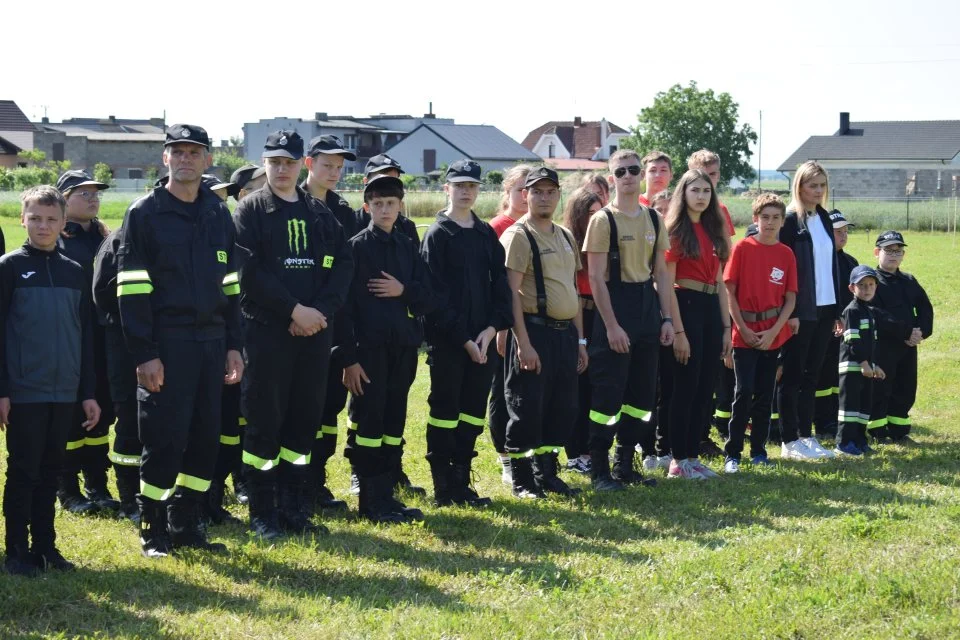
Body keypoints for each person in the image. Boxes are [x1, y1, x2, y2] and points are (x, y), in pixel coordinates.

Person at [117, 124, 244, 557]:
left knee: (205, 435)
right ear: (165, 158)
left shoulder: (217, 212)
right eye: (178, 151)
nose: (186, 159)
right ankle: (153, 528)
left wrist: (233, 343)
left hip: (212, 340)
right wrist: (145, 353)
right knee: (165, 436)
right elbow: (131, 290)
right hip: (166, 343)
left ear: (208, 160)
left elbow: (231, 286)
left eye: (195, 152)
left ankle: (187, 524)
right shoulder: (144, 213)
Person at [234, 130, 352, 540]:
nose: (281, 169)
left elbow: (342, 269)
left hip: (315, 334)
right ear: (265, 164)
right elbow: (249, 273)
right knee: (265, 422)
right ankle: (263, 512)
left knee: (304, 421)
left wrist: (318, 312)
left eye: (289, 162)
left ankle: (293, 507)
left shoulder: (320, 214)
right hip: (268, 333)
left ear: (301, 163)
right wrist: (293, 309)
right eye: (274, 162)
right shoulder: (249, 212)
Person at [1, 186, 100, 576]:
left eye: (51, 219)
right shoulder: (8, 267)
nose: (43, 226)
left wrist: (88, 392)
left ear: (63, 223)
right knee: (23, 470)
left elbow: (85, 336)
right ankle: (15, 551)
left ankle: (46, 547)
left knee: (51, 470)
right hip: (24, 390)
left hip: (65, 390)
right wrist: (3, 389)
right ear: (22, 219)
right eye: (36, 218)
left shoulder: (75, 272)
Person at [337, 174, 438, 522]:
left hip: (403, 349)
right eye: (377, 204)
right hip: (369, 352)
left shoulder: (407, 247)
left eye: (390, 204)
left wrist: (403, 290)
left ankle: (387, 493)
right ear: (366, 207)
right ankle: (369, 500)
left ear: (400, 207)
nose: (384, 209)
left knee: (394, 421)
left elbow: (428, 297)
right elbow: (342, 310)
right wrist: (348, 360)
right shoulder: (355, 248)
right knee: (371, 422)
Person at [420, 159, 512, 507]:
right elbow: (432, 297)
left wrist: (490, 331)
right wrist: (463, 339)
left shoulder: (486, 233)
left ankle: (462, 481)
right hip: (450, 343)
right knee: (445, 410)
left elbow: (500, 288)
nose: (466, 192)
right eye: (459, 186)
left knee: (472, 412)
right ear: (448, 189)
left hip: (484, 341)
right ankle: (444, 487)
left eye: (472, 186)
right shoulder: (437, 234)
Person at [584, 150, 674, 490]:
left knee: (642, 395)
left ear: (640, 175)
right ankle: (599, 469)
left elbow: (662, 273)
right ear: (612, 178)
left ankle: (625, 464)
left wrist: (666, 318)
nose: (627, 176)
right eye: (620, 171)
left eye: (633, 170)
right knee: (608, 395)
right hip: (614, 307)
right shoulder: (602, 221)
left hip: (647, 308)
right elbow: (595, 278)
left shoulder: (653, 218)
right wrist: (610, 326)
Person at [501, 167, 588, 498]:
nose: (544, 197)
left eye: (551, 191)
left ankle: (547, 474)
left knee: (562, 407)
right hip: (534, 333)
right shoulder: (518, 236)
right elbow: (509, 293)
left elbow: (573, 292)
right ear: (526, 195)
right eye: (537, 191)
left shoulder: (565, 236)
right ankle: (523, 480)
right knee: (527, 406)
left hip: (565, 335)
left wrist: (580, 341)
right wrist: (522, 343)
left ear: (558, 195)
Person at [300, 134, 366, 510]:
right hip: (297, 325)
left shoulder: (343, 211)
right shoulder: (292, 205)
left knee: (328, 410)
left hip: (335, 323)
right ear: (309, 164)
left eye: (340, 167)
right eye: (327, 165)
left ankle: (316, 481)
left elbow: (348, 274)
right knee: (301, 410)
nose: (335, 172)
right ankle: (292, 484)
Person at [53, 170, 118, 516]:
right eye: (83, 193)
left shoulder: (107, 238)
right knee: (72, 415)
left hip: (105, 338)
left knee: (102, 414)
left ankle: (97, 483)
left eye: (96, 193)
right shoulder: (58, 240)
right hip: (72, 341)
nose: (92, 198)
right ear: (64, 199)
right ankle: (68, 488)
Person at [663, 169, 731, 479]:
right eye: (695, 190)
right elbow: (666, 283)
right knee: (686, 388)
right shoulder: (676, 231)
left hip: (709, 311)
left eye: (706, 191)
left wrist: (727, 328)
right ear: (684, 194)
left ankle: (692, 455)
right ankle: (678, 460)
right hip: (685, 307)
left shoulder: (714, 230)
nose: (702, 196)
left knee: (705, 389)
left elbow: (719, 282)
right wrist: (678, 331)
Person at [722, 194, 797, 472]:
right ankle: (733, 453)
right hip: (744, 333)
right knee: (744, 391)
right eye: (765, 217)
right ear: (756, 219)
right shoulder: (742, 248)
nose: (770, 222)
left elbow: (790, 299)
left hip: (772, 333)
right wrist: (741, 327)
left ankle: (759, 450)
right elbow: (729, 290)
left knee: (766, 393)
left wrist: (774, 332)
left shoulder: (786, 254)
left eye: (776, 217)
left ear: (782, 221)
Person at [777, 161, 841, 461]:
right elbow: (784, 269)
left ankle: (806, 436)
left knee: (812, 376)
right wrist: (790, 312)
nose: (817, 191)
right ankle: (789, 440)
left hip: (826, 308)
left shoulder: (825, 217)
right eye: (812, 185)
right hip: (801, 311)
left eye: (821, 185)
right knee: (792, 376)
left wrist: (838, 308)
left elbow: (831, 265)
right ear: (799, 186)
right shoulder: (790, 221)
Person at [92, 226, 141, 524]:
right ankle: (129, 500)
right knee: (130, 420)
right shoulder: (120, 239)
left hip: (169, 343)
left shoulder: (177, 232)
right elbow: (102, 293)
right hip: (123, 342)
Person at [487, 164, 532, 484]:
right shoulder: (498, 227)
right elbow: (497, 283)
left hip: (531, 323)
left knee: (524, 391)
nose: (527, 196)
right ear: (507, 193)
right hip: (504, 322)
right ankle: (505, 456)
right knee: (501, 390)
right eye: (521, 190)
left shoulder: (539, 226)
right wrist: (503, 327)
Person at [868, 231, 933, 444]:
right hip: (884, 345)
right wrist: (905, 332)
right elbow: (875, 313)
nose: (894, 255)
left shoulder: (908, 280)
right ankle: (878, 431)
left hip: (908, 346)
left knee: (905, 387)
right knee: (881, 388)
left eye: (898, 251)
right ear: (877, 252)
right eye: (888, 250)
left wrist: (921, 332)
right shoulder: (871, 282)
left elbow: (925, 308)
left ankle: (899, 430)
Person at [562, 188, 603, 475]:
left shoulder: (604, 239)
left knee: (597, 385)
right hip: (578, 316)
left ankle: (591, 449)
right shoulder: (569, 242)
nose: (596, 219)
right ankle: (575, 452)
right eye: (591, 214)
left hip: (602, 315)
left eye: (600, 213)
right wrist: (580, 338)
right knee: (577, 385)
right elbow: (573, 291)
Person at [813, 211, 860, 438]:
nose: (843, 235)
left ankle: (834, 416)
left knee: (836, 376)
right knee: (821, 376)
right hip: (824, 325)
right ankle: (821, 421)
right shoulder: (820, 260)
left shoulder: (851, 262)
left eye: (846, 231)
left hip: (846, 328)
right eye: (838, 231)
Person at [835, 266, 885, 456]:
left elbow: (871, 343)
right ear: (851, 288)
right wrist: (864, 363)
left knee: (864, 406)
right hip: (852, 368)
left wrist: (874, 365)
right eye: (862, 285)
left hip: (866, 368)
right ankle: (844, 443)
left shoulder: (869, 311)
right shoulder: (852, 311)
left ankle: (859, 440)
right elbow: (852, 340)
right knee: (849, 408)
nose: (867, 289)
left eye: (871, 285)